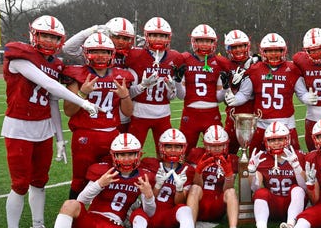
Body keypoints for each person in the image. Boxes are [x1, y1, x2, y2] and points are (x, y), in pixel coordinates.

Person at [2, 15, 103, 228]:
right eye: (44, 35)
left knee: (39, 181)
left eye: (53, 37)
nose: (48, 40)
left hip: (43, 127)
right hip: (19, 127)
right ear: (33, 35)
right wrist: (82, 102)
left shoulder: (55, 64)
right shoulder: (20, 56)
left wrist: (59, 138)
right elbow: (47, 84)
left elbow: (52, 102)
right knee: (19, 185)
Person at [35, 133, 168, 228]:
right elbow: (81, 200)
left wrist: (149, 196)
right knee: (70, 204)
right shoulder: (105, 171)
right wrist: (99, 184)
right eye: (121, 155)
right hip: (90, 221)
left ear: (138, 155)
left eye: (130, 154)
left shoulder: (143, 177)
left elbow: (149, 212)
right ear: (113, 156)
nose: (126, 159)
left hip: (113, 225)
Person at [62, 32, 135, 198]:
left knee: (112, 175)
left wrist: (124, 96)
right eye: (96, 51)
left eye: (105, 52)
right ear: (86, 52)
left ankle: (103, 209)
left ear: (112, 54)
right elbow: (68, 111)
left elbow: (128, 112)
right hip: (85, 135)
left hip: (111, 133)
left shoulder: (121, 76)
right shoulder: (77, 75)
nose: (101, 56)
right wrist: (81, 94)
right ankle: (73, 214)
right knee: (80, 178)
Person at [130, 128, 212, 228]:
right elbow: (146, 197)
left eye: (177, 146)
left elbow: (178, 202)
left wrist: (179, 189)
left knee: (184, 209)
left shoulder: (188, 170)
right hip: (148, 213)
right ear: (162, 147)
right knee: (137, 216)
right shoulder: (150, 164)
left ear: (183, 148)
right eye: (169, 146)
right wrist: (157, 185)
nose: (173, 150)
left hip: (168, 216)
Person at [225, 33, 318, 151]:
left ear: (283, 51)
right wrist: (235, 99)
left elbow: (301, 93)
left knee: (294, 159)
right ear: (263, 52)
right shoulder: (255, 69)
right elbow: (244, 93)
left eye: (277, 50)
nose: (273, 54)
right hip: (261, 123)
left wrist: (307, 97)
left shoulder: (292, 69)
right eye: (269, 51)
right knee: (256, 159)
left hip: (286, 123)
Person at [125, 17, 183, 153]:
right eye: (154, 35)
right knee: (132, 153)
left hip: (163, 114)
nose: (158, 39)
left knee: (166, 155)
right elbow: (128, 93)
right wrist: (142, 86)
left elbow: (172, 97)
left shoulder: (175, 57)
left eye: (162, 36)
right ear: (146, 36)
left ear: (168, 37)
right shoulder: (135, 55)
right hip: (139, 113)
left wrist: (172, 89)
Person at [247, 121, 308, 228]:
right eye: (272, 140)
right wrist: (252, 172)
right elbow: (254, 188)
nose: (276, 143)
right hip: (273, 205)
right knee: (260, 193)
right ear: (266, 142)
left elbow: (305, 187)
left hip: (292, 204)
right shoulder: (261, 158)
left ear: (288, 139)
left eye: (280, 139)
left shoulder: (298, 155)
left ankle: (290, 226)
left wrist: (296, 167)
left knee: (297, 189)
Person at [186, 124, 247, 228]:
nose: (217, 148)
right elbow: (195, 183)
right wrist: (199, 171)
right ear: (205, 144)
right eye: (213, 146)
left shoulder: (232, 159)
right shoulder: (196, 154)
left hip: (218, 206)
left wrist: (229, 175)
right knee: (194, 188)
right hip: (200, 203)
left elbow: (227, 188)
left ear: (226, 144)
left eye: (220, 145)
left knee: (231, 192)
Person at [174, 24, 229, 152]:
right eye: (201, 40)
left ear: (213, 43)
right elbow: (181, 96)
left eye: (208, 41)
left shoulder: (219, 62)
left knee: (218, 152)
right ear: (194, 41)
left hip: (212, 113)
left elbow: (218, 99)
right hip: (190, 114)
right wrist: (177, 81)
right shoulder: (185, 59)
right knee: (184, 152)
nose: (204, 44)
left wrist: (225, 88)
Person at [221, 29, 258, 154]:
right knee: (228, 153)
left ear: (247, 46)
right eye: (234, 47)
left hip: (255, 114)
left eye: (241, 46)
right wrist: (232, 87)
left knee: (256, 154)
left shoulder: (257, 64)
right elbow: (224, 97)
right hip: (233, 115)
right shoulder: (225, 65)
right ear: (228, 48)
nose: (238, 50)